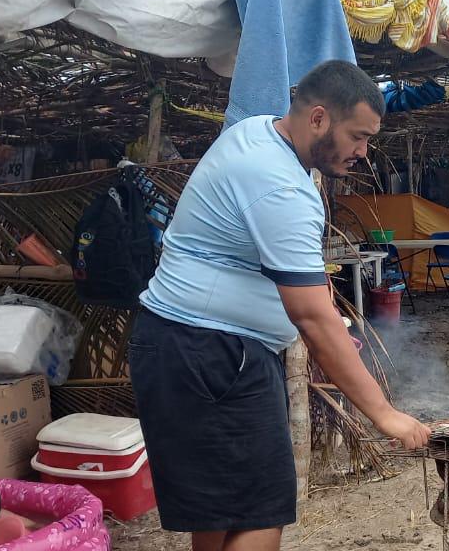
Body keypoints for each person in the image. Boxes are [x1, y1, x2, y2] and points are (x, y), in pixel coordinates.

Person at [131, 60, 430, 551]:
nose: (364, 151)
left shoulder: (256, 132)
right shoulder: (282, 186)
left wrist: (329, 320)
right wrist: (384, 414)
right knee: (262, 509)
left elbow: (281, 279)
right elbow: (310, 315)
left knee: (221, 510)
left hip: (181, 346)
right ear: (318, 119)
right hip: (214, 356)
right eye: (358, 136)